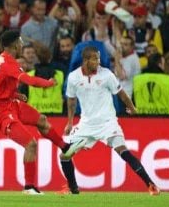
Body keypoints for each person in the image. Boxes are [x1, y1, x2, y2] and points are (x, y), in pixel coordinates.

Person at [0, 30, 79, 195]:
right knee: (31, 144)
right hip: (0, 111)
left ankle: (64, 147)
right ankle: (29, 187)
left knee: (41, 120)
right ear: (14, 45)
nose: (22, 44)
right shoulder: (8, 63)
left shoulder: (0, 60)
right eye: (20, 42)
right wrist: (48, 83)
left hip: (10, 102)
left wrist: (14, 94)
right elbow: (29, 80)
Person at [63, 46, 160, 195]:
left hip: (108, 123)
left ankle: (150, 184)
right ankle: (73, 188)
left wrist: (132, 108)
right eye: (95, 59)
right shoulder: (74, 77)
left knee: (124, 152)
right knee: (65, 156)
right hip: (86, 125)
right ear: (86, 60)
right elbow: (71, 101)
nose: (98, 62)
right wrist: (70, 122)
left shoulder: (106, 74)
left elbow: (121, 93)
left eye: (99, 58)